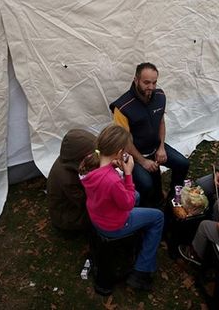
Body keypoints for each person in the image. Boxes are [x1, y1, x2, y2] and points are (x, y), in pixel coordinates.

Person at [79, 124, 164, 291]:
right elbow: (128, 203)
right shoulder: (112, 180)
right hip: (112, 224)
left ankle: (134, 237)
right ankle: (142, 271)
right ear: (119, 152)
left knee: (138, 196)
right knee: (158, 217)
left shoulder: (89, 163)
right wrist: (128, 173)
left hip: (96, 214)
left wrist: (114, 166)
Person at [109, 62, 189, 206]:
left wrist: (161, 147)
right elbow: (124, 141)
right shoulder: (122, 107)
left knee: (183, 163)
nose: (151, 87)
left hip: (155, 147)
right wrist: (142, 161)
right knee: (146, 185)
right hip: (134, 154)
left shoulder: (160, 96)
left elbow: (161, 123)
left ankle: (173, 197)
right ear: (136, 80)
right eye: (146, 82)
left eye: (154, 82)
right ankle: (148, 206)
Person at [47, 129, 96, 232]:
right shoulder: (67, 179)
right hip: (68, 218)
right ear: (79, 156)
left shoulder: (67, 159)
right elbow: (85, 201)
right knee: (105, 211)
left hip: (71, 205)